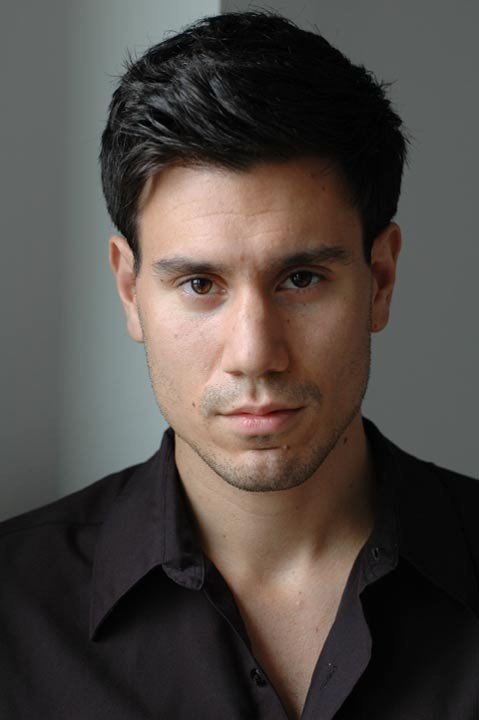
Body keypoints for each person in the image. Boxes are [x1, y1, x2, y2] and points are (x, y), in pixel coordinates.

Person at [1, 10, 478, 720]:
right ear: (130, 291)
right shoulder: (14, 611)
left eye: (301, 280)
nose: (254, 353)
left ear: (379, 280)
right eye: (200, 284)